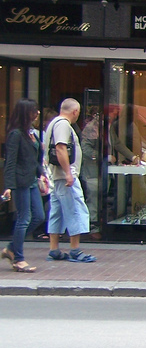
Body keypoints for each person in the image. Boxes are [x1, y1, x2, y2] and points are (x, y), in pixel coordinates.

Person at [42, 98, 97, 263]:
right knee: (75, 210)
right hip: (65, 177)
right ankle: (75, 250)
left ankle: (54, 249)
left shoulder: (53, 123)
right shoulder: (63, 125)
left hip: (56, 177)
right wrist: (68, 173)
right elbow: (60, 147)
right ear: (75, 112)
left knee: (57, 213)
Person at [1, 99, 50, 272]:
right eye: (33, 111)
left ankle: (11, 248)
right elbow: (11, 162)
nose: (36, 113)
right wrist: (8, 186)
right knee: (24, 218)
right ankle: (18, 259)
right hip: (21, 181)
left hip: (31, 180)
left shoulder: (32, 133)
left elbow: (33, 158)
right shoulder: (16, 134)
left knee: (38, 215)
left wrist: (41, 173)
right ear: (25, 113)